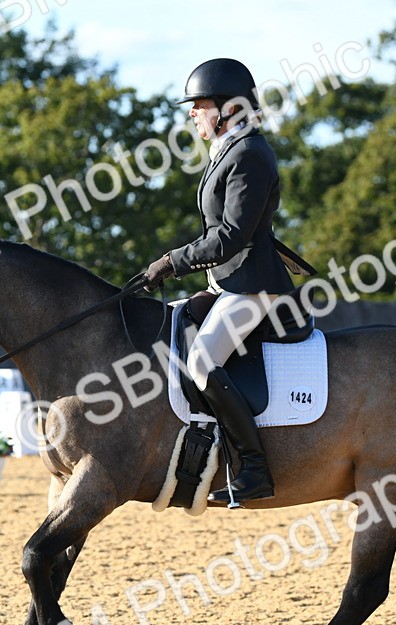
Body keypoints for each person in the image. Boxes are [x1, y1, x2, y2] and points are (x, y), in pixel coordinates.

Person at [143, 58, 299, 504]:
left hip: (253, 286)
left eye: (199, 105)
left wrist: (172, 262)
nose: (192, 113)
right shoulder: (230, 150)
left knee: (201, 363)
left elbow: (230, 237)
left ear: (228, 108)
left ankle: (254, 470)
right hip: (227, 283)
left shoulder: (250, 154)